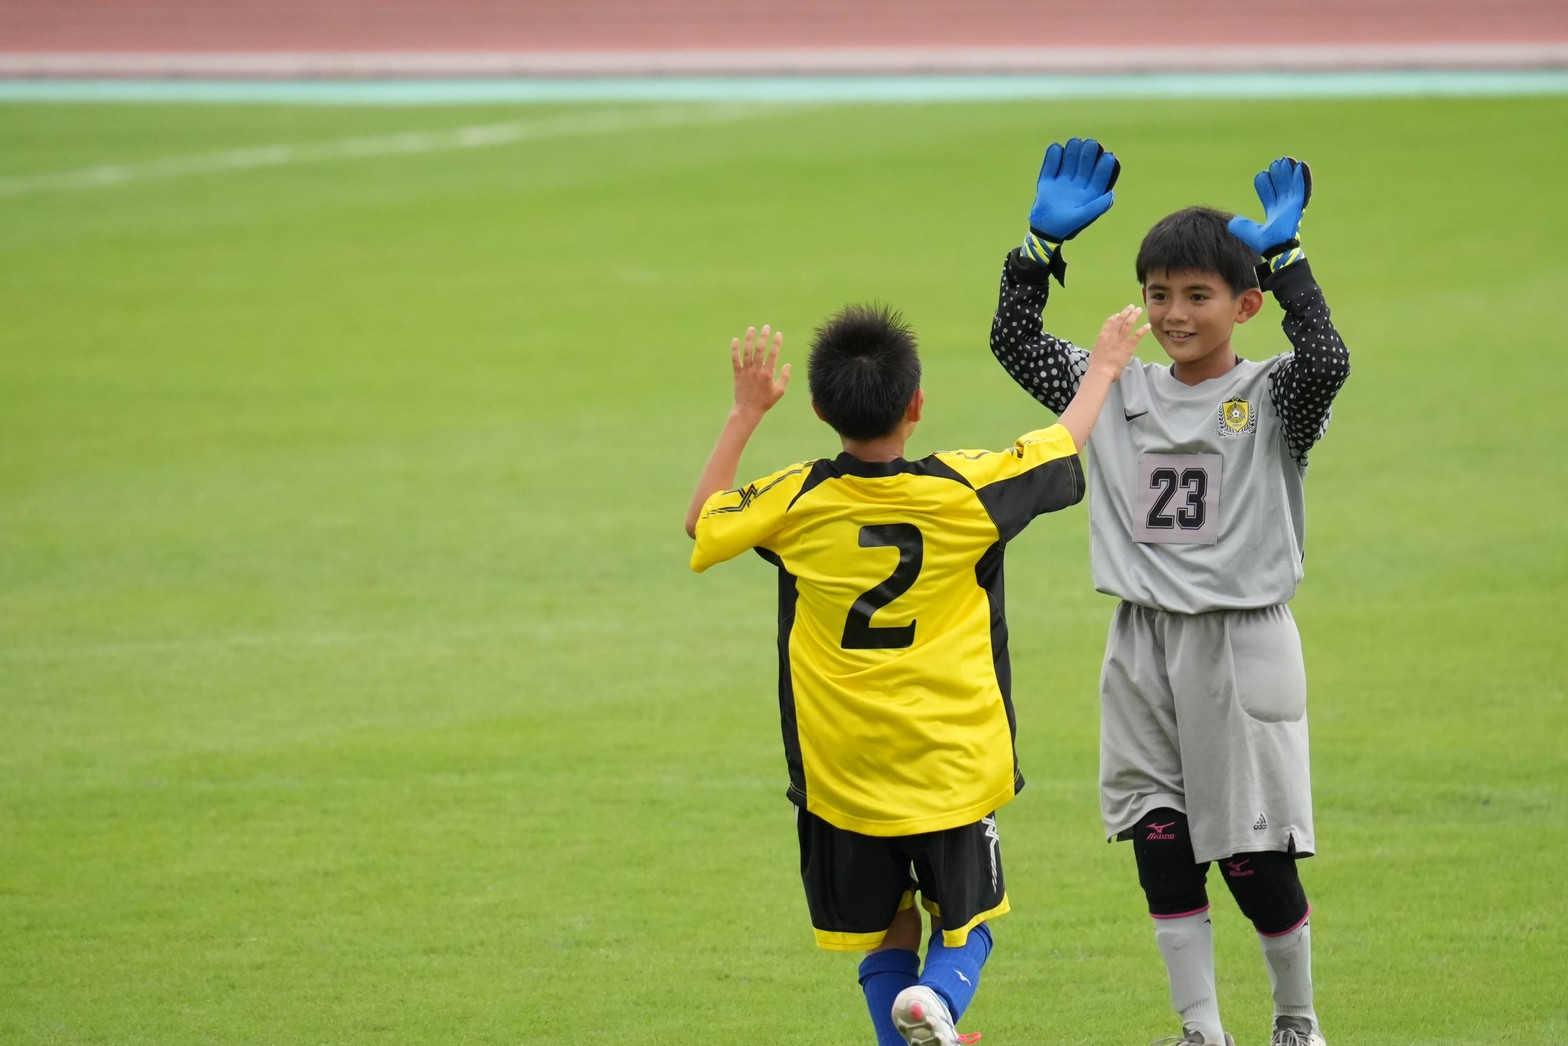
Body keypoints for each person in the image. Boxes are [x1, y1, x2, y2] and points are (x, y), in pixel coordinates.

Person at [685, 301, 1147, 1046]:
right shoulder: (965, 492)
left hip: (842, 773)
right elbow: (1062, 443)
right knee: (970, 927)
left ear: (817, 408)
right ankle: (936, 1002)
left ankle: (912, 1022)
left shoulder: (799, 501)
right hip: (952, 764)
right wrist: (1105, 364)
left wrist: (744, 413)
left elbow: (702, 520)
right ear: (917, 404)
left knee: (887, 930)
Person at [986, 139, 1351, 1046]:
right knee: (1158, 845)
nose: (1175, 313)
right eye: (1159, 294)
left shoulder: (1275, 398)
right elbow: (1013, 340)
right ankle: (1201, 1031)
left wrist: (1292, 262)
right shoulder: (1116, 386)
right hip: (1140, 643)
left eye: (1198, 295)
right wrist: (1037, 248)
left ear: (1245, 304)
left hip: (1241, 641)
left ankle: (1297, 1024)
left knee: (1253, 863)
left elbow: (1329, 361)